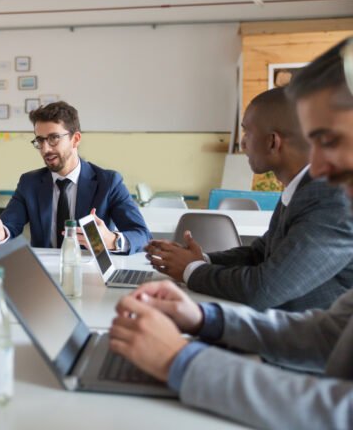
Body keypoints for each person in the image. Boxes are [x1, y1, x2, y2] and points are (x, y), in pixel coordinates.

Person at [109, 38, 353, 429]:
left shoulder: (333, 203)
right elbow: (329, 334)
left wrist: (180, 360)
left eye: (330, 141)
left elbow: (339, 411)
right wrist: (203, 319)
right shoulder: (317, 192)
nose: (318, 168)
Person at [145, 87, 353, 311]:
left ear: (273, 142)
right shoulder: (306, 189)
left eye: (247, 133)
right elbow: (259, 254)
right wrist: (202, 259)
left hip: (318, 342)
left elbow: (263, 289)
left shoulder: (334, 199)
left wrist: (191, 269)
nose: (243, 144)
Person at [0, 101, 150, 252]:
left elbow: (141, 235)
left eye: (54, 138)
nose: (45, 149)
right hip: (44, 275)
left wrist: (112, 240)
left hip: (91, 274)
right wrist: (1, 234)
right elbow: (8, 226)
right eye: (40, 140)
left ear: (75, 139)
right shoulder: (30, 183)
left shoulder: (108, 182)